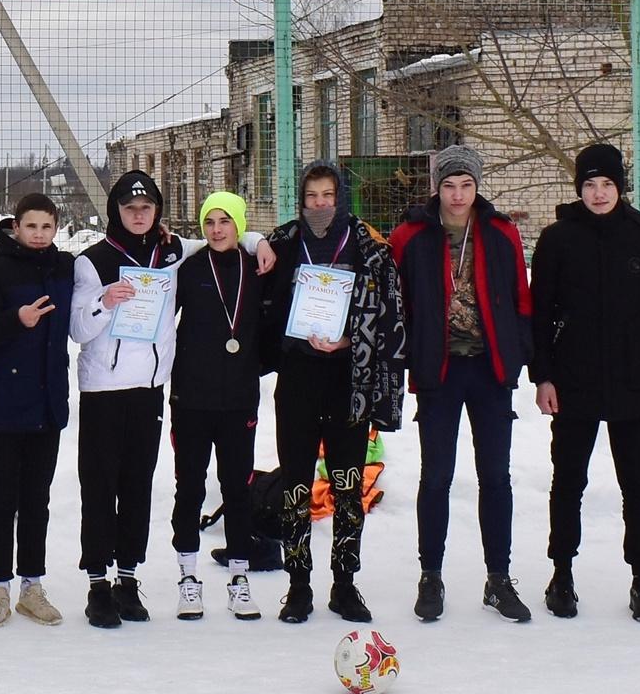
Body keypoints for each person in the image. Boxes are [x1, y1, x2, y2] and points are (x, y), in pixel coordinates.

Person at [528, 143, 640, 623]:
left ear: (620, 187)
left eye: (607, 184)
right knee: (568, 481)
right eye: (589, 184)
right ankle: (562, 574)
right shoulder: (557, 238)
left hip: (633, 380)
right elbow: (539, 315)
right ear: (579, 188)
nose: (598, 193)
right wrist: (543, 377)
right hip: (573, 381)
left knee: (637, 483)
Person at [389, 144, 535, 623]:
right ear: (437, 187)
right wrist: (408, 357)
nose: (457, 195)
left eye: (466, 185)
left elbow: (520, 298)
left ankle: (499, 578)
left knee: (495, 476)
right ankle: (430, 575)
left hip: (489, 370)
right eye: (449, 185)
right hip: (439, 370)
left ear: (477, 186)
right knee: (436, 477)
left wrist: (518, 356)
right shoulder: (410, 235)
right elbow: (396, 302)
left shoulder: (501, 231)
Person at [257, 160, 405, 625]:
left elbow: (389, 314)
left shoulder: (368, 245)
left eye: (328, 195)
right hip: (298, 378)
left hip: (348, 381)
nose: (320, 204)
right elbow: (240, 246)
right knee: (297, 484)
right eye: (311, 196)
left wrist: (348, 341)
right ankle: (298, 586)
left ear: (341, 197)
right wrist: (254, 240)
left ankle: (344, 584)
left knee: (347, 485)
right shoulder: (283, 241)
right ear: (301, 199)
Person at [65, 170, 184, 628]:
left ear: (157, 211)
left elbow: (227, 238)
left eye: (146, 207)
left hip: (149, 389)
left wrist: (257, 242)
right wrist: (105, 302)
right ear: (116, 211)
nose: (138, 215)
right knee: (100, 487)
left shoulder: (171, 252)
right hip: (104, 390)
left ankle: (128, 580)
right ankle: (98, 584)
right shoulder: (92, 261)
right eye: (130, 208)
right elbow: (78, 329)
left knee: (138, 486)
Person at [0, 194, 75, 628]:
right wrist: (17, 319)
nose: (39, 234)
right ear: (16, 227)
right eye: (31, 226)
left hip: (47, 404)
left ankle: (32, 587)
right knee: (0, 501)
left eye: (47, 227)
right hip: (4, 405)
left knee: (36, 500)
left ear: (56, 228)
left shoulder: (65, 267)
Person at [167, 192, 275, 621]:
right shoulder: (190, 268)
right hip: (191, 399)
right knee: (190, 487)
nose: (216, 229)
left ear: (239, 224)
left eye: (225, 221)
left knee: (237, 488)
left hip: (239, 400)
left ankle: (239, 579)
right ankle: (188, 578)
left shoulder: (258, 265)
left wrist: (258, 240)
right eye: (209, 221)